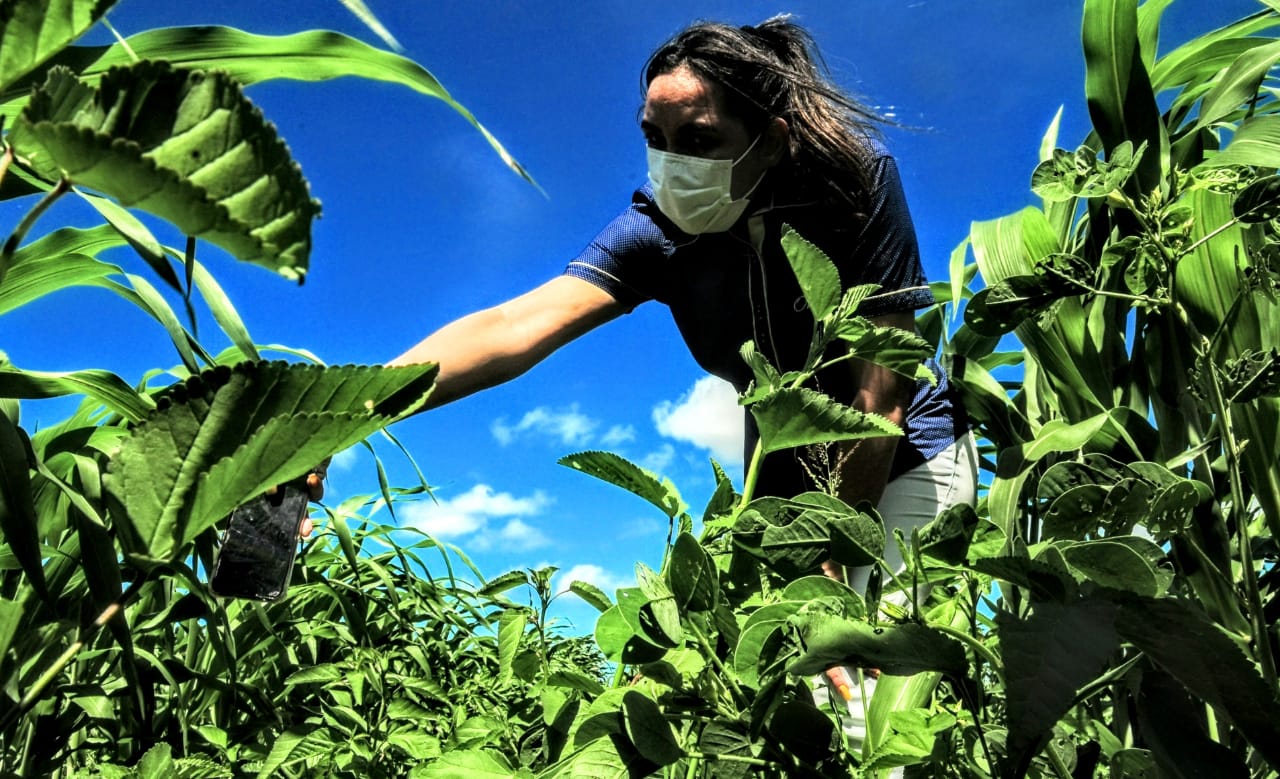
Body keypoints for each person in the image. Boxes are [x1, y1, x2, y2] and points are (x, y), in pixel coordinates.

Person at [389, 15, 977, 752]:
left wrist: (827, 555)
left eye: (698, 139)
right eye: (654, 138)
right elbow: (514, 326)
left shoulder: (855, 183)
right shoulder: (657, 232)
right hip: (786, 493)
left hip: (906, 456)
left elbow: (882, 390)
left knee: (884, 697)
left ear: (774, 134)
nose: (672, 163)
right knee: (790, 717)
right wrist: (344, 408)